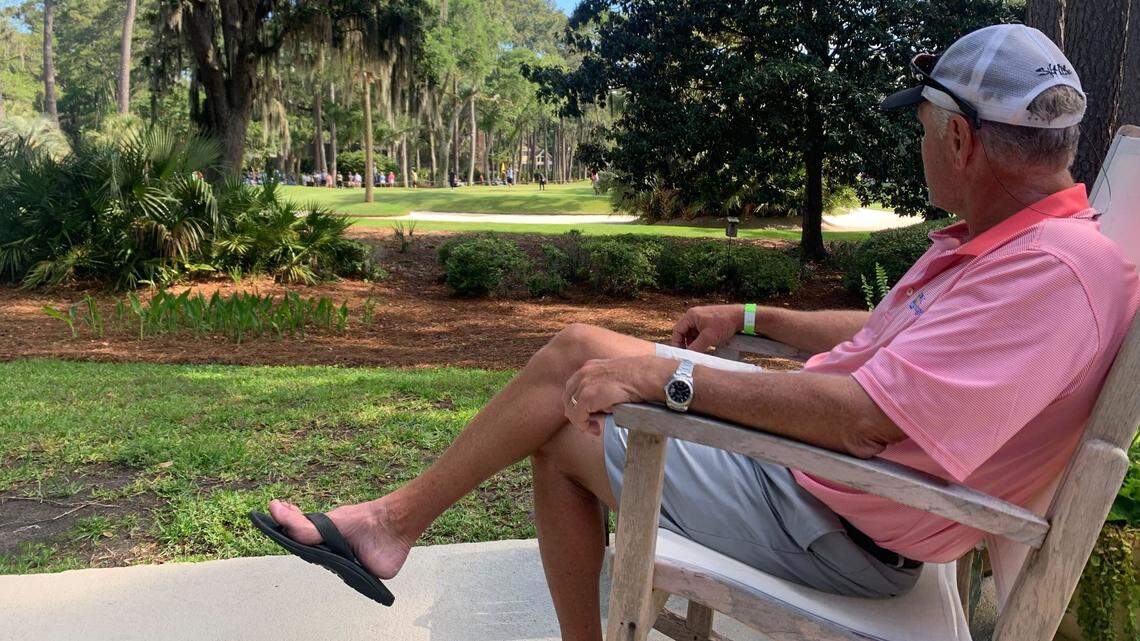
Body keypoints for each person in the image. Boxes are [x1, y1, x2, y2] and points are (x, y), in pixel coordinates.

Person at [252, 25, 1139, 639]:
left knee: (573, 398)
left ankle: (388, 525)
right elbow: (890, 333)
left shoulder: (1054, 275)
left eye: (921, 127)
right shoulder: (1022, 248)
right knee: (575, 362)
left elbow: (867, 417)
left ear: (961, 139)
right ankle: (390, 525)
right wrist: (752, 319)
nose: (918, 144)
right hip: (821, 481)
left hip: (831, 516)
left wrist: (663, 382)